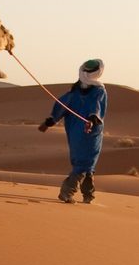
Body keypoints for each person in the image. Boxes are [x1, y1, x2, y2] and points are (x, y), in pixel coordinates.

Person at [37, 59, 108, 203]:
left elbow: (61, 106)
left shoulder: (75, 91)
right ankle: (67, 192)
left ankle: (88, 195)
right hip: (89, 131)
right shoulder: (99, 90)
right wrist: (92, 120)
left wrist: (50, 121)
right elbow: (96, 108)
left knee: (87, 163)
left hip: (74, 131)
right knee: (86, 162)